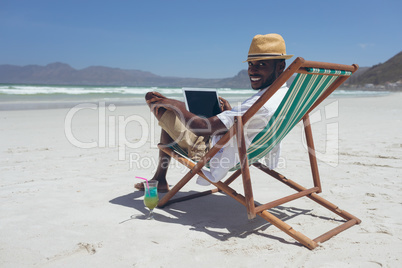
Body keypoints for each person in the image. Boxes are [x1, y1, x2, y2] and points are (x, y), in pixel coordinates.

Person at [135, 33, 293, 192]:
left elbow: (202, 127)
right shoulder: (285, 95)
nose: (252, 70)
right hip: (244, 147)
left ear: (280, 66)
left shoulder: (262, 103)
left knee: (158, 104)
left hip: (215, 152)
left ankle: (159, 179)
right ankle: (160, 178)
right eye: (251, 64)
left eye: (261, 65)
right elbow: (253, 124)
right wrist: (231, 114)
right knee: (175, 117)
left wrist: (176, 104)